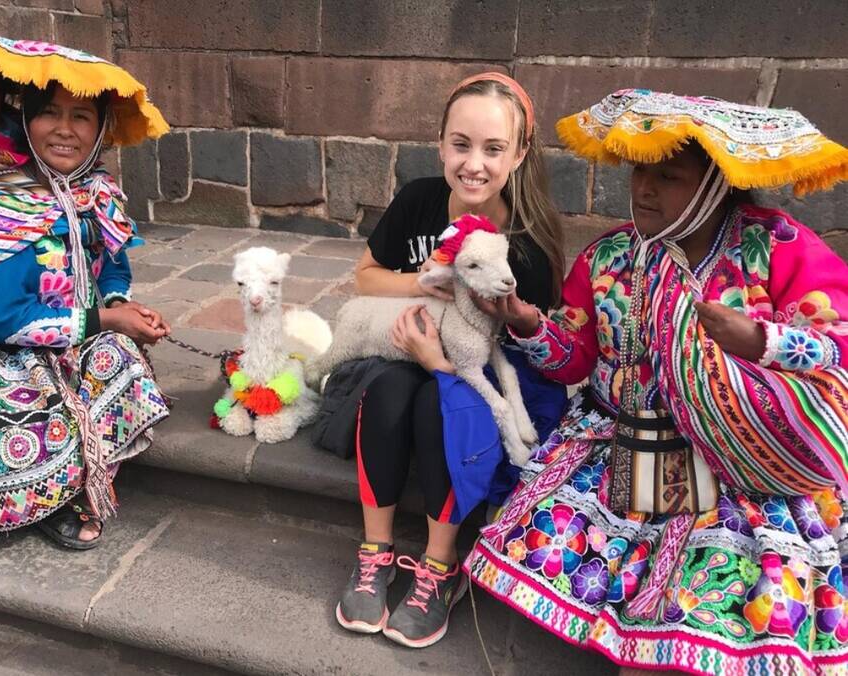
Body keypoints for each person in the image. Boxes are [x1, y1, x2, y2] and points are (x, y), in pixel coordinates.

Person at [465, 89, 848, 675]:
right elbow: (575, 358)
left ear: (717, 183)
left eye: (667, 176)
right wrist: (528, 324)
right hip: (621, 440)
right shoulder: (609, 256)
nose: (643, 189)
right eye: (640, 171)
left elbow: (839, 343)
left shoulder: (777, 248)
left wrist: (764, 343)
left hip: (743, 459)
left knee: (733, 585)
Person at [0, 35, 173, 550]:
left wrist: (115, 303)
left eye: (82, 117)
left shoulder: (92, 192)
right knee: (29, 408)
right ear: (27, 120)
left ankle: (86, 464)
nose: (65, 130)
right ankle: (52, 496)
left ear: (100, 130)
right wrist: (106, 321)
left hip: (69, 327)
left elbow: (111, 263)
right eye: (50, 114)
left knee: (123, 360)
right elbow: (5, 318)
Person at [334, 72, 568, 648]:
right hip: (404, 348)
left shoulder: (528, 244)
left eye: (493, 149)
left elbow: (528, 350)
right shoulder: (418, 199)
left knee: (437, 404)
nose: (474, 164)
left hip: (480, 369)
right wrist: (423, 283)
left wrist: (442, 362)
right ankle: (376, 552)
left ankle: (440, 565)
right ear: (440, 143)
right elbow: (365, 276)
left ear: (519, 153)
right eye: (461, 145)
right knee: (390, 389)